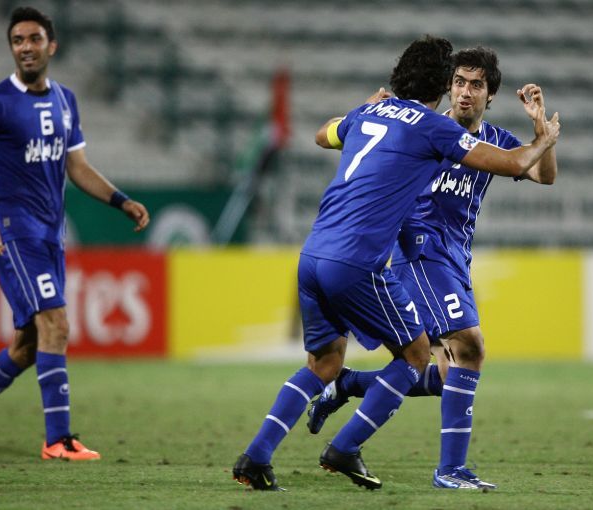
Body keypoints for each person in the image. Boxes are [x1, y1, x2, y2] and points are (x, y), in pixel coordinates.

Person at [232, 36, 559, 491]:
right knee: (451, 351)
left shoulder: (377, 115)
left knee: (384, 368)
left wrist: (541, 140)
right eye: (458, 82)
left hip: (322, 251)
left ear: (490, 94)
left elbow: (322, 134)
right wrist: (544, 137)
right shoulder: (435, 128)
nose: (464, 91)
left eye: (475, 85)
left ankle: (271, 446)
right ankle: (394, 457)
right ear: (444, 86)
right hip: (412, 254)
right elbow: (517, 163)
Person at [0, 6, 149, 460]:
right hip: (16, 233)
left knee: (27, 346)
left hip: (51, 236)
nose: (25, 47)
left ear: (52, 45)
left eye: (33, 39)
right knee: (56, 324)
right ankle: (57, 439)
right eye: (17, 41)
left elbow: (77, 167)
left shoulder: (65, 100)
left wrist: (121, 200)